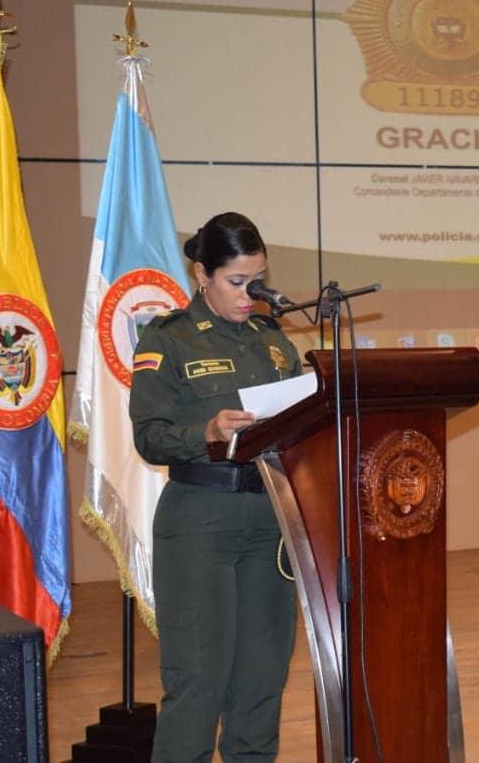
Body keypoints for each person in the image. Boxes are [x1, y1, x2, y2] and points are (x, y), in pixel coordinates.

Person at [129, 212, 301, 763]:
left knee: (261, 681)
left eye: (258, 281)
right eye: (237, 281)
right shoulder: (168, 339)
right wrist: (204, 431)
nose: (250, 295)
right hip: (200, 520)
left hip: (270, 520)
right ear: (202, 274)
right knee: (198, 681)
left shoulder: (273, 342)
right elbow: (149, 437)